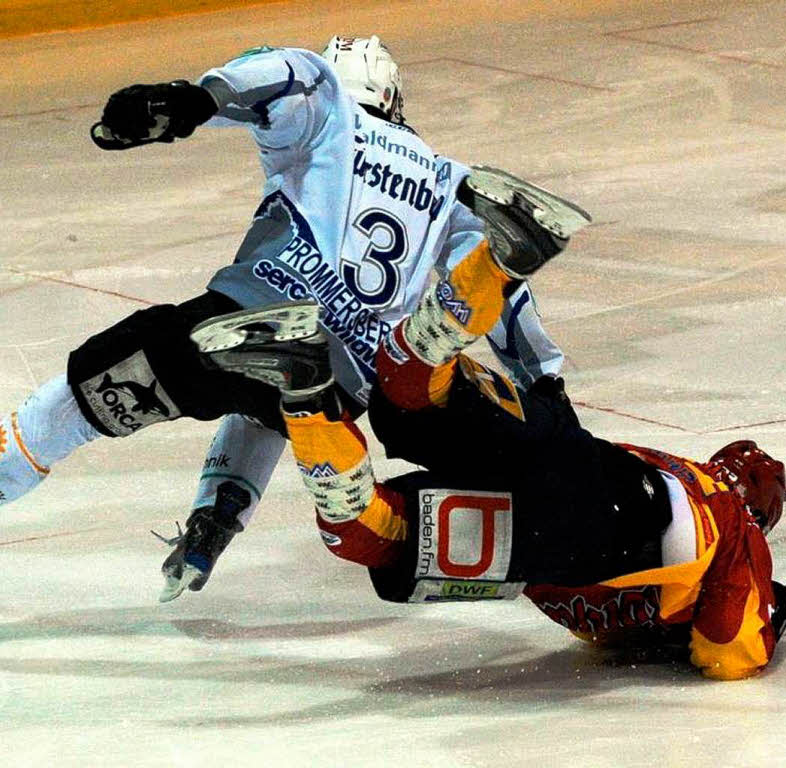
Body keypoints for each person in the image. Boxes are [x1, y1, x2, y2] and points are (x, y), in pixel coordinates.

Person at [0, 37, 564, 602]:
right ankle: (217, 518)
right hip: (343, 389)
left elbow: (291, 75)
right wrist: (545, 379)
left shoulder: (330, 115)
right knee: (278, 385)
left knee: (81, 403)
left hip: (253, 310)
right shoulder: (452, 183)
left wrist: (198, 98)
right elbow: (502, 291)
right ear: (393, 98)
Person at [194, 167, 786, 680]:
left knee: (406, 392)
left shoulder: (675, 471)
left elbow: (603, 627)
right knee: (368, 534)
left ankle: (491, 266)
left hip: (566, 477)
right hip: (570, 531)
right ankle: (306, 400)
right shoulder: (734, 526)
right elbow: (729, 659)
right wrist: (771, 615)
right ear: (758, 512)